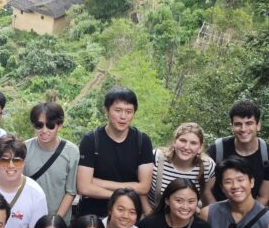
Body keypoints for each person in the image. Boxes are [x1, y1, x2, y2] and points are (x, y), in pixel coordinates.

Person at [75, 86, 154, 218]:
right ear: (107, 110)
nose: (123, 116)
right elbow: (84, 187)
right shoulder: (91, 140)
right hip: (94, 213)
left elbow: (144, 187)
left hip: (128, 214)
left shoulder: (142, 141)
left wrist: (98, 182)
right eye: (118, 110)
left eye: (129, 111)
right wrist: (120, 195)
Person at [206, 101, 269, 205]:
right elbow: (206, 191)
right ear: (232, 126)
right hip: (217, 209)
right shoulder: (217, 150)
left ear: (258, 125)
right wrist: (216, 216)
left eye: (249, 123)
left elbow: (263, 197)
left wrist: (246, 219)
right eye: (238, 124)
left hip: (250, 211)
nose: (243, 129)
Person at [25, 102, 80, 221]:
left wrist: (55, 221)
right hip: (29, 220)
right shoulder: (24, 149)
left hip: (59, 223)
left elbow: (70, 191)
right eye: (39, 125)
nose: (44, 130)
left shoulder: (71, 151)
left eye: (50, 125)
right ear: (33, 125)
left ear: (59, 125)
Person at [146, 122, 216, 213]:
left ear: (200, 148)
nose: (186, 147)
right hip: (154, 214)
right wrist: (149, 216)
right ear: (174, 142)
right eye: (183, 141)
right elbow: (142, 191)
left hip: (187, 217)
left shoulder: (207, 166)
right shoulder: (156, 157)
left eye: (193, 143)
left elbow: (208, 200)